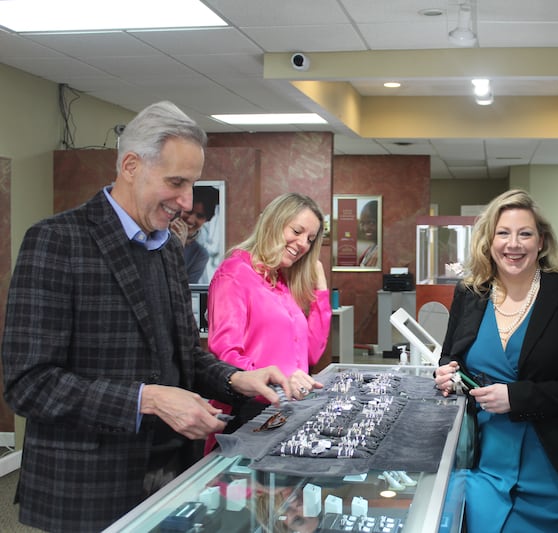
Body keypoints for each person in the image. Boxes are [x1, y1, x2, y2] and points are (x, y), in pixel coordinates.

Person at [0, 101, 291, 532]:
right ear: (131, 165)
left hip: (173, 478)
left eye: (192, 184)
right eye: (176, 182)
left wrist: (235, 380)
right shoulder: (56, 241)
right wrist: (147, 399)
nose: (187, 201)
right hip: (87, 493)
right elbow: (28, 383)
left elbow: (185, 356)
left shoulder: (169, 250)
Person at [432, 189, 558, 532]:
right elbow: (450, 356)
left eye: (524, 233)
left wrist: (517, 398)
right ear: (489, 240)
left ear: (541, 242)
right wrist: (445, 374)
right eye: (503, 233)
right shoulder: (470, 294)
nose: (513, 244)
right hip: (486, 464)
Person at [204, 192, 331, 452]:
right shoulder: (234, 273)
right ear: (274, 222)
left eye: (310, 239)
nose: (303, 244)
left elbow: (311, 352)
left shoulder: (282, 282)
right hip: (247, 412)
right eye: (296, 231)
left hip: (284, 410)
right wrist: (280, 380)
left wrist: (320, 289)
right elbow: (225, 356)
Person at [170, 184, 220, 283]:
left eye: (200, 216)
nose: (191, 220)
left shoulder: (200, 254)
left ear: (207, 220)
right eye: (188, 211)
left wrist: (178, 248)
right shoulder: (157, 233)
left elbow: (185, 289)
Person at [357, 199, 378, 267]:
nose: (365, 228)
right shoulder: (373, 248)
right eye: (362, 223)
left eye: (371, 223)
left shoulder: (381, 253)